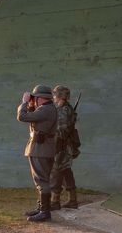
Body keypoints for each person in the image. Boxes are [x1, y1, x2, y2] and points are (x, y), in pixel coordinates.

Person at [16, 84, 57, 222]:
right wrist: (31, 103)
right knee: (41, 180)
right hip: (41, 149)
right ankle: (42, 208)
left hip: (41, 150)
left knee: (41, 180)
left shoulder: (46, 110)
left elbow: (22, 117)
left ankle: (45, 212)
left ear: (40, 98)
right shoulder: (46, 109)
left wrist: (24, 102)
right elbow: (32, 115)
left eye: (35, 97)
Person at [51, 85, 79, 210]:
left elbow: (61, 131)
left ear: (59, 96)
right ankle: (72, 200)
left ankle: (55, 201)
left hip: (61, 146)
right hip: (66, 146)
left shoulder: (63, 110)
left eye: (55, 95)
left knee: (56, 172)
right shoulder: (68, 108)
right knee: (66, 172)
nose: (54, 97)